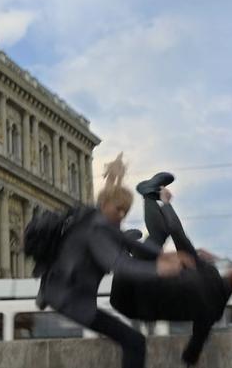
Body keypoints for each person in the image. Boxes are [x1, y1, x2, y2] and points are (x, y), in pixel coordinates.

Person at [34, 154, 194, 368]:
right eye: (118, 209)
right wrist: (161, 268)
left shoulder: (97, 220)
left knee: (132, 339)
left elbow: (131, 243)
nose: (121, 214)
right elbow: (120, 265)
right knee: (135, 342)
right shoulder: (97, 230)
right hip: (70, 301)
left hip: (64, 294)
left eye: (125, 211)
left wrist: (163, 255)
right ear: (105, 204)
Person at [111, 172, 232, 366]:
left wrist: (167, 203)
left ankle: (132, 230)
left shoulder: (207, 273)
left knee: (158, 238)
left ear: (229, 274)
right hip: (127, 303)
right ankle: (147, 195)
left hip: (129, 281)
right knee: (155, 246)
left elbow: (177, 232)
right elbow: (194, 348)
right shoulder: (213, 311)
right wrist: (188, 360)